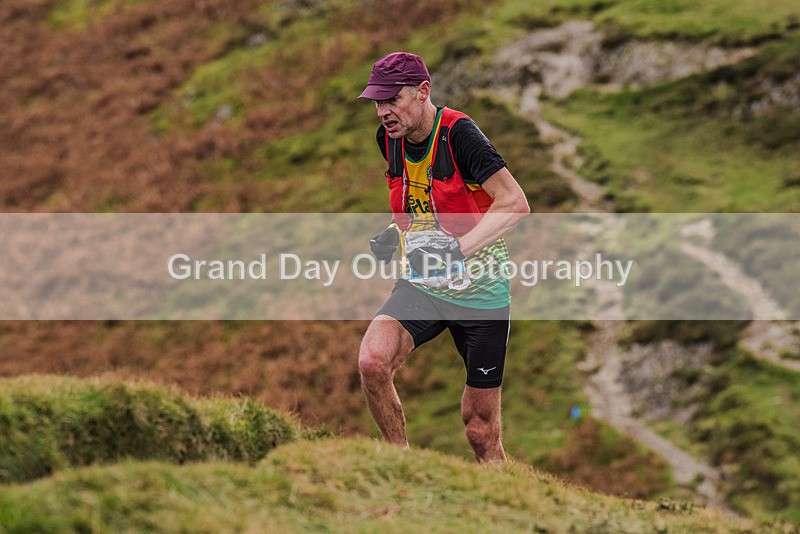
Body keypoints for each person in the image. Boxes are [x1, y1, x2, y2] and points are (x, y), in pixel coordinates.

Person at [357, 52, 530, 462]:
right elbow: (420, 201)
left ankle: (508, 497)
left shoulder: (460, 135)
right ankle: (401, 465)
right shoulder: (390, 139)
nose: (383, 112)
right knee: (372, 362)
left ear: (423, 92)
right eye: (378, 102)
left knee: (479, 430)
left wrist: (453, 253)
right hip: (424, 285)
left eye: (392, 100)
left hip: (481, 293)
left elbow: (515, 204)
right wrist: (394, 234)